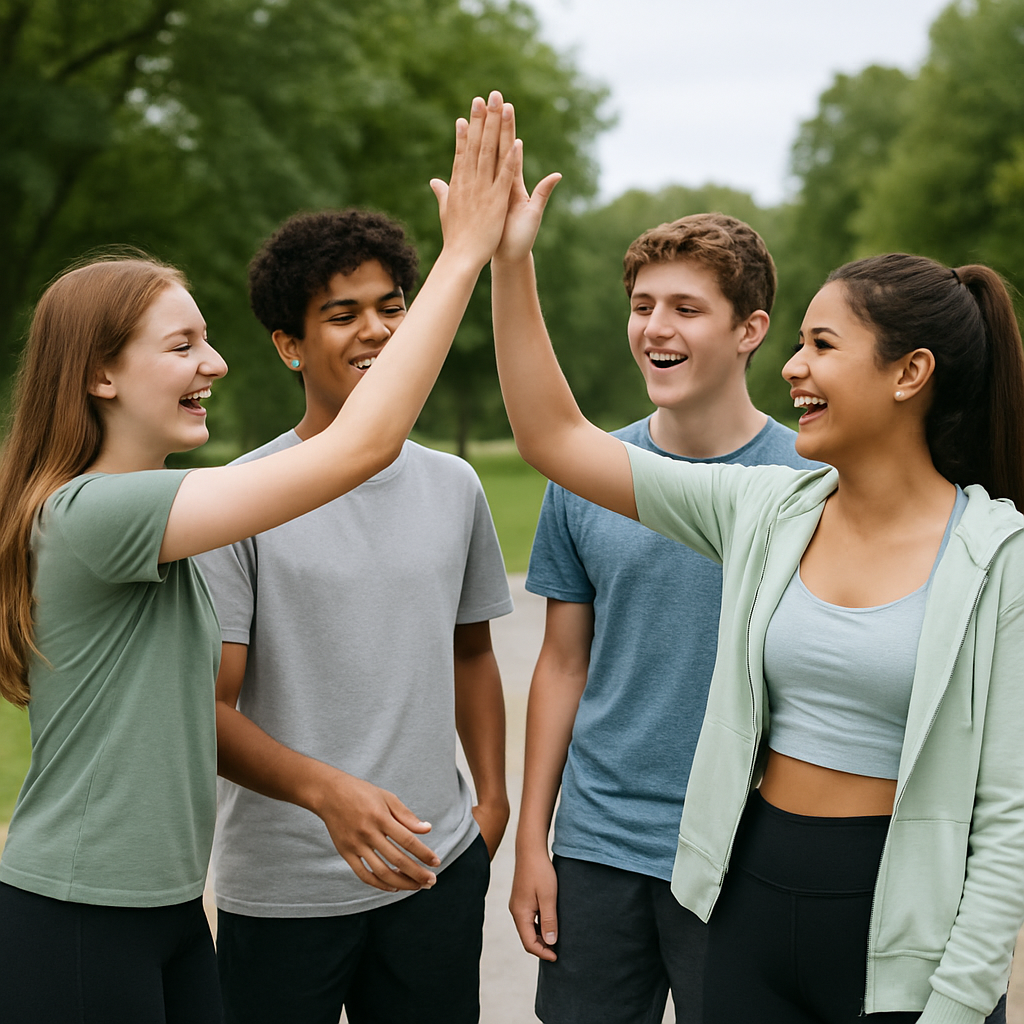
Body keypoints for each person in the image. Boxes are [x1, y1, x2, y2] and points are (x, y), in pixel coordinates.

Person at [0, 90, 518, 1024]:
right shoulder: (92, 514)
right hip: (79, 915)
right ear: (101, 374)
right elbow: (357, 450)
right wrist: (465, 253)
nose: (216, 364)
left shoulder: (159, 519)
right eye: (184, 344)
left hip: (166, 911)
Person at [489, 151, 1024, 1023]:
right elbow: (557, 438)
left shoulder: (999, 557)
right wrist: (510, 264)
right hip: (747, 894)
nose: (792, 367)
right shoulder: (767, 508)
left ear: (908, 373)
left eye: (821, 345)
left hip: (891, 905)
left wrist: (963, 1003)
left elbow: (1007, 822)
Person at [194, 205, 512, 1024]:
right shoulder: (238, 501)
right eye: (343, 314)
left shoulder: (455, 487)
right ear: (289, 345)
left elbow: (471, 653)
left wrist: (490, 803)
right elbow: (208, 711)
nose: (376, 330)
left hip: (433, 873)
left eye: (391, 307)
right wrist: (329, 795)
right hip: (285, 889)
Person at [509, 212, 814, 1024]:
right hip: (598, 846)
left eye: (686, 308)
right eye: (643, 305)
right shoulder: (584, 475)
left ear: (751, 330)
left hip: (745, 851)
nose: (655, 328)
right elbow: (562, 664)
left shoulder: (811, 481)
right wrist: (534, 840)